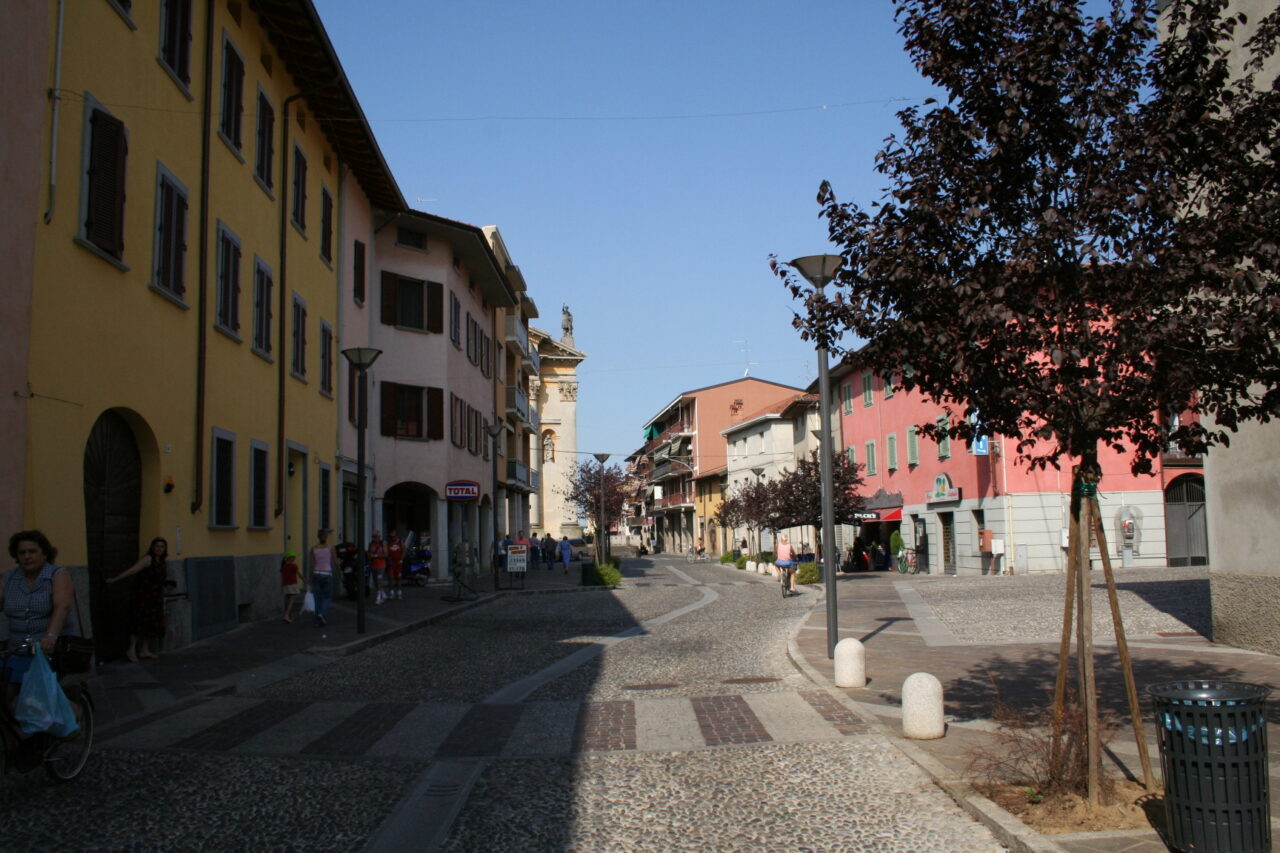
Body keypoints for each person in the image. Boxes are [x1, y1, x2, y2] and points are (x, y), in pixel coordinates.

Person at [3, 530, 79, 691]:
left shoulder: (57, 574)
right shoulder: (9, 578)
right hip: (18, 649)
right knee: (8, 694)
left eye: (32, 551)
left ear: (44, 554)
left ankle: (72, 713)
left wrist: (50, 636)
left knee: (41, 699)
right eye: (22, 553)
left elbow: (62, 606)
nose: (27, 556)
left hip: (47, 650)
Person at [107, 536, 168, 659]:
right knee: (138, 622)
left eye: (162, 547)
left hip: (154, 597)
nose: (159, 549)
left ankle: (144, 650)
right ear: (152, 547)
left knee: (150, 623)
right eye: (157, 546)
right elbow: (133, 570)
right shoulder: (148, 559)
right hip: (143, 596)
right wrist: (116, 579)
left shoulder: (161, 562)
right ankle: (131, 650)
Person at [309, 530, 335, 627]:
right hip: (327, 573)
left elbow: (312, 564)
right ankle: (321, 613)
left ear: (318, 537)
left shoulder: (313, 548)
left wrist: (310, 577)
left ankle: (317, 620)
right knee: (327, 597)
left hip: (316, 573)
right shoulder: (330, 548)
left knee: (317, 597)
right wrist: (340, 572)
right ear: (326, 536)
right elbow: (335, 561)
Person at [277, 550, 303, 624]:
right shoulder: (294, 566)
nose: (294, 558)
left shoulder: (283, 566)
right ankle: (286, 615)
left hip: (285, 585)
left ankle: (289, 616)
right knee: (291, 600)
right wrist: (305, 580)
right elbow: (299, 574)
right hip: (292, 584)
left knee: (288, 600)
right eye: (293, 557)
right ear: (290, 558)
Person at [368, 530, 388, 605]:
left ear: (379, 537)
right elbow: (369, 553)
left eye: (375, 537)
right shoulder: (371, 544)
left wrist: (376, 556)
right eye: (373, 537)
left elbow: (386, 554)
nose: (374, 538)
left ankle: (378, 598)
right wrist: (370, 557)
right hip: (373, 565)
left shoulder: (383, 544)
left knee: (379, 580)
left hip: (381, 565)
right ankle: (383, 594)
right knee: (376, 582)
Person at [386, 530, 405, 600]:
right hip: (391, 563)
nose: (392, 538)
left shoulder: (400, 542)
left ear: (396, 536)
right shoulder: (389, 543)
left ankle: (399, 593)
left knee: (399, 578)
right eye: (391, 536)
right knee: (391, 578)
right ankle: (391, 593)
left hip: (398, 563)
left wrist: (401, 559)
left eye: (394, 536)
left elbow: (404, 551)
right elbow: (387, 552)